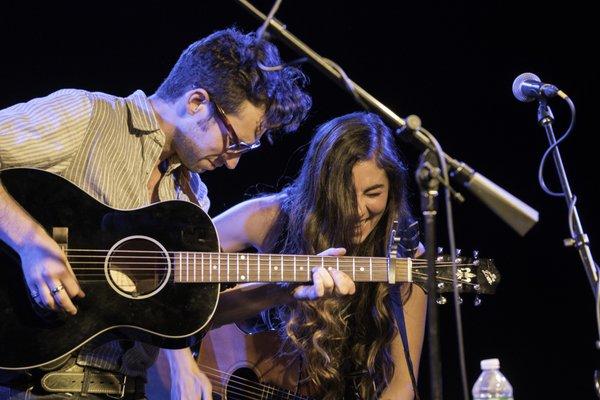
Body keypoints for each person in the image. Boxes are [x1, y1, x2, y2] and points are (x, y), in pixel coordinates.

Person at [0, 27, 317, 399]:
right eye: (233, 143)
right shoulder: (87, 117)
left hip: (127, 388)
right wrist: (31, 243)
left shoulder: (194, 199)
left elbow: (187, 315)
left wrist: (284, 289)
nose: (233, 164)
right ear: (197, 102)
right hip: (41, 383)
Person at [213, 112, 427, 399]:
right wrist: (181, 360)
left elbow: (402, 384)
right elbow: (177, 246)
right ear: (320, 189)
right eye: (343, 194)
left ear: (393, 190)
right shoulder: (273, 218)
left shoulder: (405, 255)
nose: (358, 210)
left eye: (373, 193)